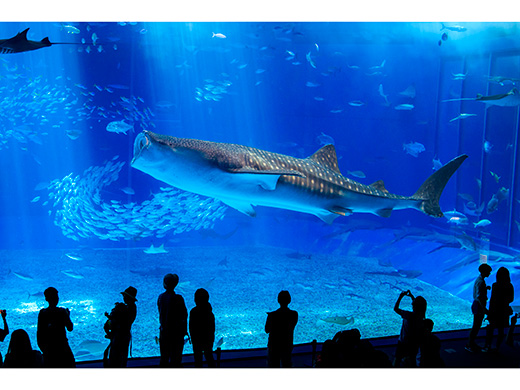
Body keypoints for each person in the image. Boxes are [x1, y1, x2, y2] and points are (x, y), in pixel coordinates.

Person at [37, 287, 75, 367]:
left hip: (49, 349)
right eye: (56, 297)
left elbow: (39, 334)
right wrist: (68, 316)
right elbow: (70, 328)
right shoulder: (62, 312)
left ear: (46, 299)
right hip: (63, 348)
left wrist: (44, 349)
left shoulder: (42, 313)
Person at [157, 273, 188, 367]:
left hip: (164, 331)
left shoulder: (161, 297)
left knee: (164, 357)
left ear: (164, 284)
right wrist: (185, 330)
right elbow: (184, 315)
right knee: (176, 357)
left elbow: (161, 312)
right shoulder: (179, 298)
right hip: (177, 333)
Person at [104, 286, 138, 368]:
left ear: (129, 297)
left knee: (115, 358)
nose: (123, 298)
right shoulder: (131, 307)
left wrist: (112, 316)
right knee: (122, 358)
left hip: (120, 337)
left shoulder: (128, 309)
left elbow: (122, 321)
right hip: (123, 336)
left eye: (125, 296)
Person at [393, 290, 427, 367]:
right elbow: (418, 307)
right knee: (412, 360)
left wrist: (400, 296)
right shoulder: (421, 318)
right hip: (414, 343)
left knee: (397, 359)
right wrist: (412, 297)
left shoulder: (407, 315)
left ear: (413, 305)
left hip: (403, 342)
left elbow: (396, 309)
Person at [265, 290, 298, 368]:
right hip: (287, 344)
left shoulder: (272, 315)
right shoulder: (294, 314)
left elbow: (267, 330)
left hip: (274, 345)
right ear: (289, 300)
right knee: (287, 365)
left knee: (273, 365)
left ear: (278, 300)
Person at [484, 266, 514, 352]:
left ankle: (488, 346)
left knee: (491, 329)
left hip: (495, 311)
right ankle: (497, 347)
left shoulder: (495, 285)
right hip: (504, 311)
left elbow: (492, 300)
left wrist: (489, 312)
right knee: (501, 331)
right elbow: (511, 299)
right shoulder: (510, 285)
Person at [465, 263, 492, 353]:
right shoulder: (481, 282)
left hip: (477, 305)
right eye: (489, 271)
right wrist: (484, 308)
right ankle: (469, 344)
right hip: (478, 306)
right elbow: (479, 297)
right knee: (476, 326)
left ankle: (471, 343)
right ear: (485, 272)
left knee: (476, 326)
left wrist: (485, 288)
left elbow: (479, 291)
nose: (490, 273)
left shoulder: (480, 280)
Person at [189, 288, 216, 368]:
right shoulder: (210, 313)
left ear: (195, 300)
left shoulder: (193, 312)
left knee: (198, 360)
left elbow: (191, 327)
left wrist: (192, 338)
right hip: (208, 339)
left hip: (196, 340)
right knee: (209, 357)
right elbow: (212, 328)